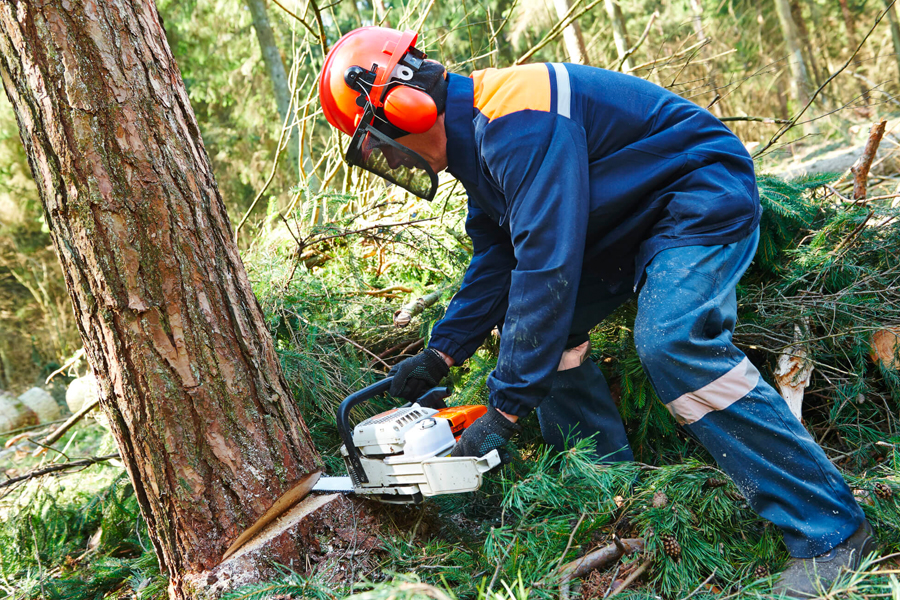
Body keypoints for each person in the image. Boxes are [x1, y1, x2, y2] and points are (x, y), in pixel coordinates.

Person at [317, 27, 874, 597]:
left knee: (671, 341)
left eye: (378, 142)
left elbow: (545, 267)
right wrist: (439, 354)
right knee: (539, 334)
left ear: (406, 108)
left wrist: (504, 410)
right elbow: (496, 259)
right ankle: (608, 495)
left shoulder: (516, 119)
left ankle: (831, 529)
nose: (386, 155)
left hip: (697, 194)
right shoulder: (476, 143)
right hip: (623, 225)